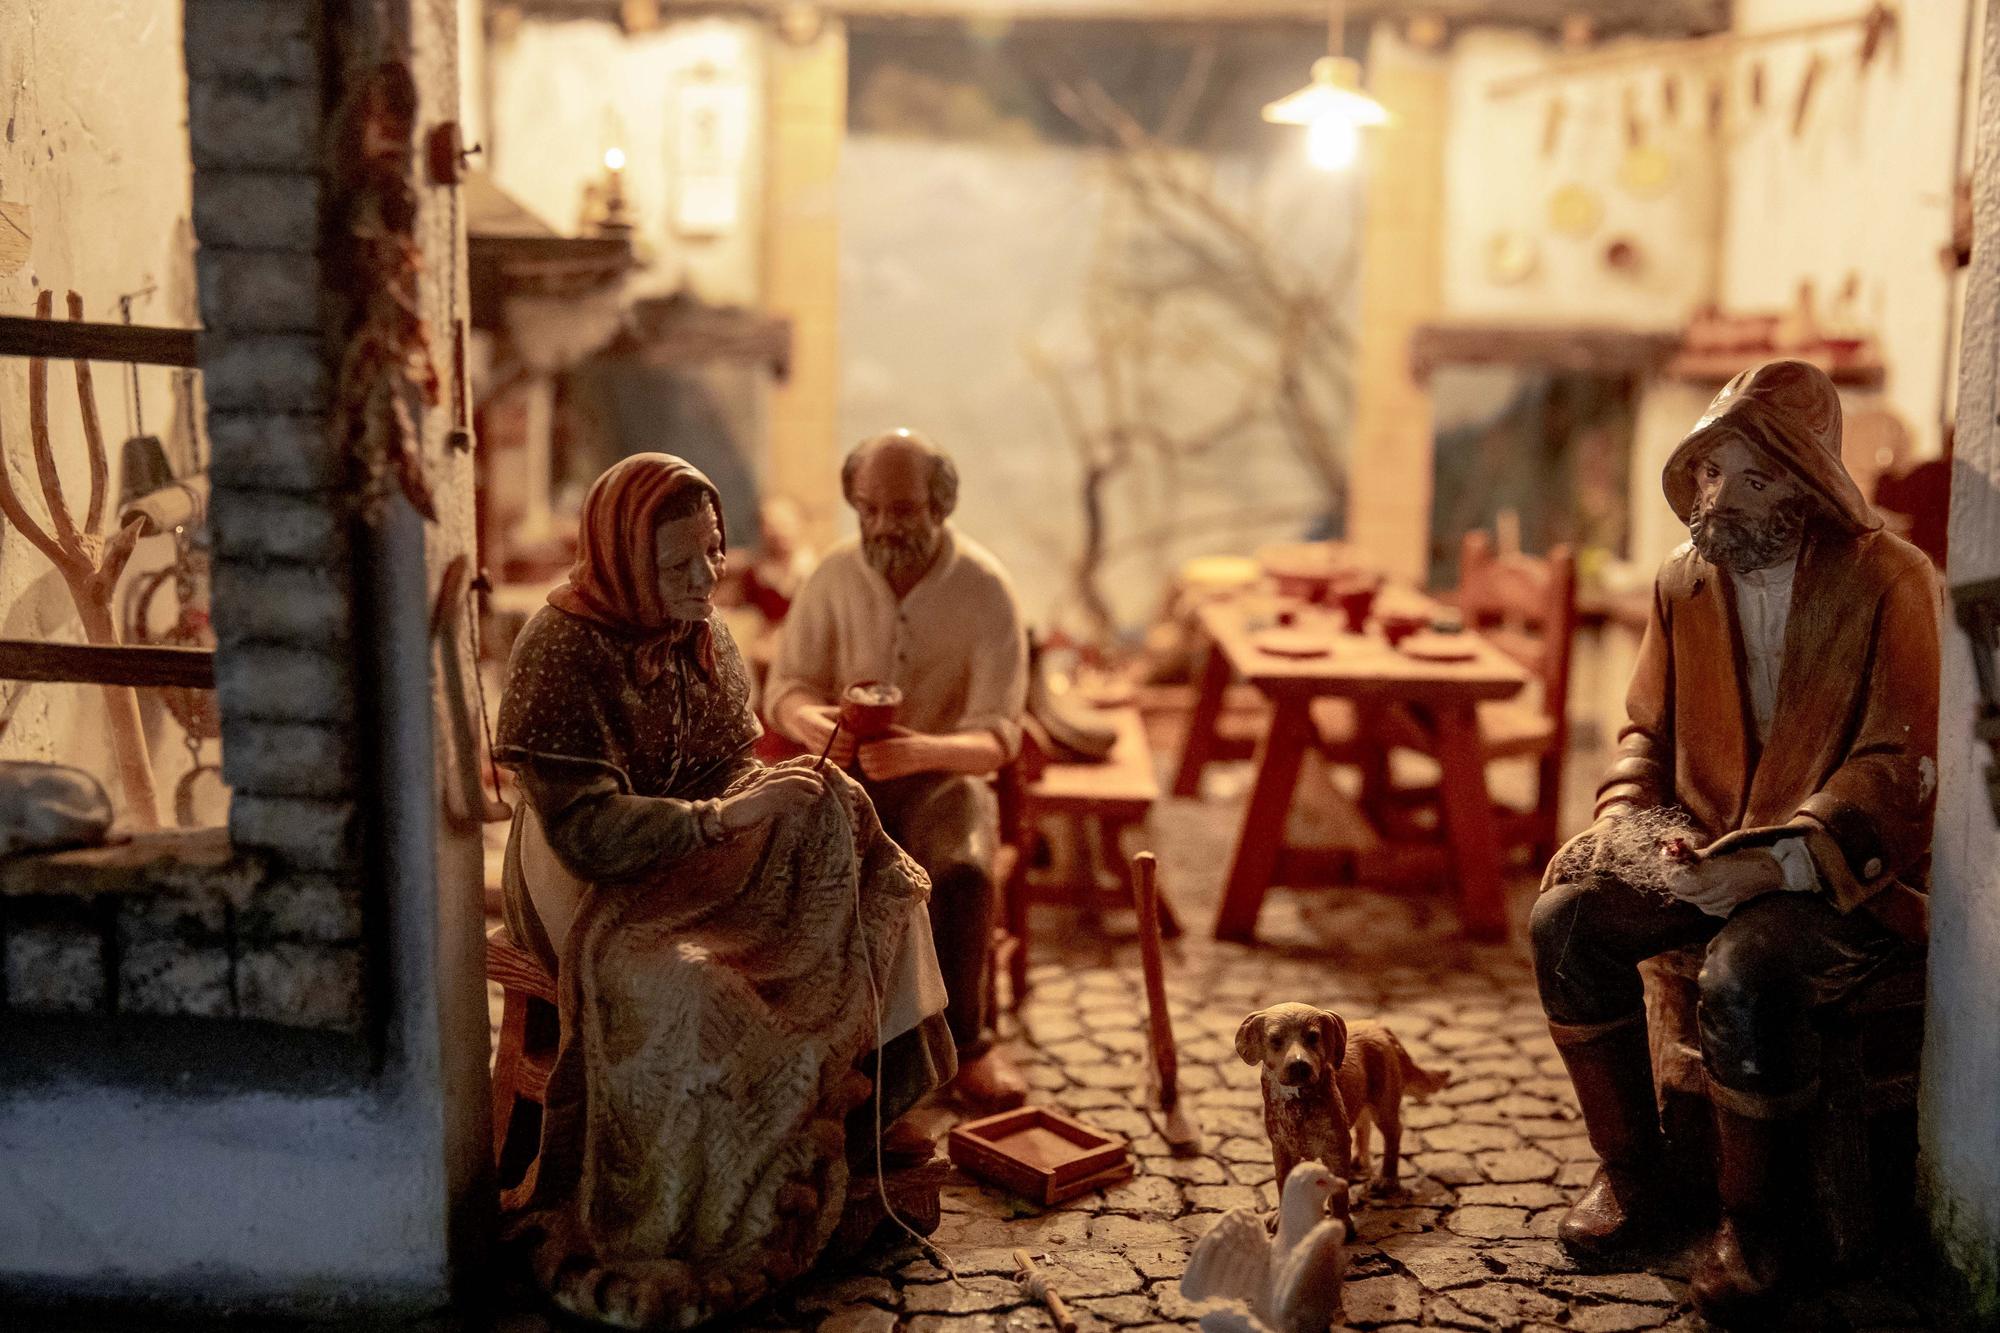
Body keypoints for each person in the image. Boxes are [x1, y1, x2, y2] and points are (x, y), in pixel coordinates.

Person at [493, 453, 954, 1330]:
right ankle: (713, 1182)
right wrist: (722, 819)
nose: (707, 576)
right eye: (678, 565)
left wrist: (769, 795)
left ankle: (864, 1109)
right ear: (625, 560)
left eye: (712, 551)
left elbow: (731, 761)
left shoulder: (705, 632)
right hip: (591, 875)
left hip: (699, 838)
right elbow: (585, 829)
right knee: (698, 983)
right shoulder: (559, 652)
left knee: (867, 852)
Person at [1530, 361, 1937, 1326]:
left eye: (1752, 477)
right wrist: (1630, 818)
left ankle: (1757, 1223)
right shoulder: (1683, 583)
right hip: (1698, 852)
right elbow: (1645, 733)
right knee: (1566, 924)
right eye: (1709, 472)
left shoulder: (1892, 582)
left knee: (1745, 976)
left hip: (1836, 874)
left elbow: (1901, 761)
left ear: (1808, 483)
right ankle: (1634, 1173)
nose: (1717, 500)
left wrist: (1778, 858)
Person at [766, 428, 1031, 1117]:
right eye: (869, 509)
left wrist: (923, 751)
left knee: (966, 869)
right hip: (850, 779)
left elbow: (1000, 736)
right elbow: (786, 686)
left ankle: (969, 1041)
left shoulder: (985, 589)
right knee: (795, 865)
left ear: (939, 505)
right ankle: (831, 1031)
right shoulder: (830, 577)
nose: (885, 526)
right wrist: (812, 723)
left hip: (946, 780)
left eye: (904, 510)